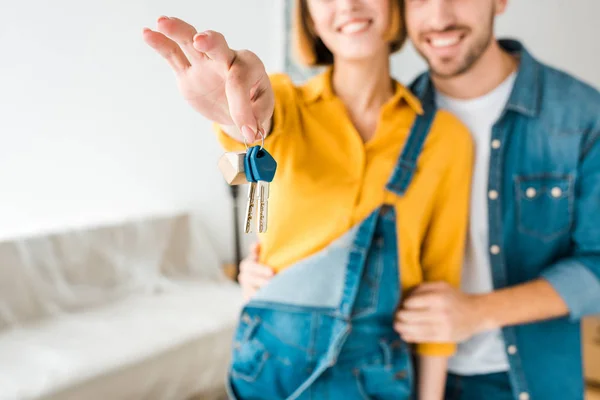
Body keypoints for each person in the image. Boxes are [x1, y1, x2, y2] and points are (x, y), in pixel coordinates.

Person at [240, 1, 600, 399]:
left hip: (530, 380)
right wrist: (272, 276)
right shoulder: (390, 118)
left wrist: (477, 313)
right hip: (404, 376)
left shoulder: (581, 115)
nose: (440, 16)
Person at [142, 0, 474, 399]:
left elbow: (437, 298)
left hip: (378, 377)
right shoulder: (285, 102)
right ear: (308, 16)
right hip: (272, 368)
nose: (348, 5)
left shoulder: (447, 139)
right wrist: (235, 113)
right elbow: (256, 121)